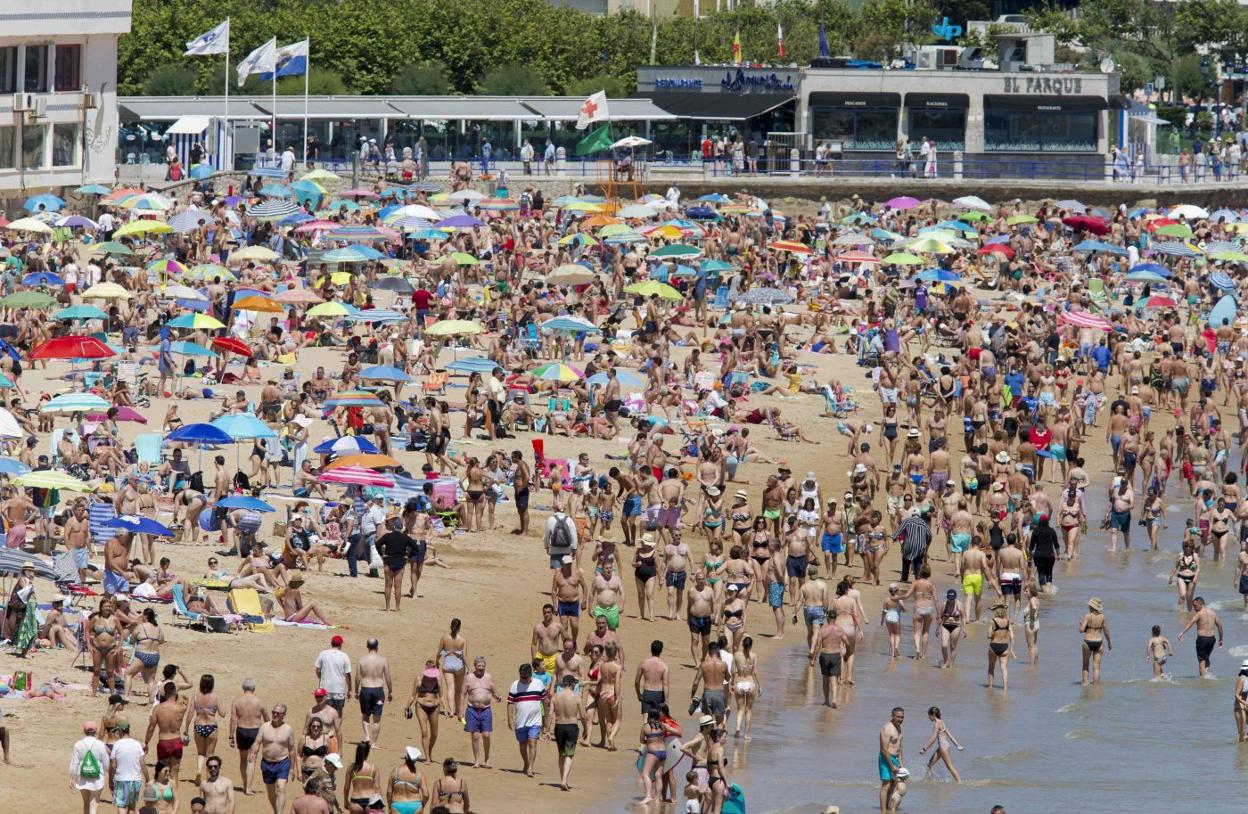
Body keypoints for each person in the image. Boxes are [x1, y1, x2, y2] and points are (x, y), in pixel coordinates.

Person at [506, 662, 546, 777]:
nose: (523, 679)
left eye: (525, 677)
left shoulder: (539, 684)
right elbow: (510, 703)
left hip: (535, 721)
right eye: (521, 677)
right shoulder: (515, 685)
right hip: (520, 721)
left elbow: (545, 701)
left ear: (530, 674)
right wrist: (510, 719)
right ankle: (526, 763)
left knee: (532, 742)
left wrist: (546, 718)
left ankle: (530, 768)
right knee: (522, 744)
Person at [258, 704, 295, 814]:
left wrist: (292, 768)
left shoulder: (288, 729)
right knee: (271, 792)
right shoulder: (264, 727)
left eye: (278, 713)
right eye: (273, 712)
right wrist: (253, 752)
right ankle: (276, 811)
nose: (274, 714)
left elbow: (292, 749)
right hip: (266, 763)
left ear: (283, 715)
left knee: (281, 787)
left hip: (282, 762)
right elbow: (257, 741)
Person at [354, 638, 392, 745]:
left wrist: (356, 691)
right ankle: (374, 743)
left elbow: (357, 677)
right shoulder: (383, 660)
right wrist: (390, 691)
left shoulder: (361, 660)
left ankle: (367, 736)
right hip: (378, 690)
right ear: (377, 647)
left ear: (367, 646)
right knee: (377, 718)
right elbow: (387, 676)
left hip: (365, 689)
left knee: (365, 715)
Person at [69, 720, 110, 814]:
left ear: (84, 731)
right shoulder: (100, 744)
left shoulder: (78, 744)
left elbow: (74, 763)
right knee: (94, 803)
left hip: (82, 776)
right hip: (97, 777)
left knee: (86, 803)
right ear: (95, 731)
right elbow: (106, 762)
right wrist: (106, 774)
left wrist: (72, 777)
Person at [1178, 596, 1224, 677]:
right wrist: (1221, 639)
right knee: (1206, 658)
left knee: (1201, 661)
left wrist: (1182, 633)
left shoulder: (1199, 614)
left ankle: (1202, 679)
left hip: (1202, 640)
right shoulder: (1213, 613)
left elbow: (1190, 623)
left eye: (1195, 606)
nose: (1194, 608)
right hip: (1211, 640)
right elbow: (1219, 626)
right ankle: (1206, 674)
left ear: (1201, 604)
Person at [551, 674, 581, 791]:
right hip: (571, 726)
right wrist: (585, 728)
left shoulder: (555, 696)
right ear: (571, 684)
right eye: (574, 683)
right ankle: (564, 780)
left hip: (559, 726)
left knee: (561, 754)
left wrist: (547, 730)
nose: (575, 685)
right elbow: (582, 715)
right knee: (569, 754)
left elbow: (550, 714)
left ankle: (562, 779)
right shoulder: (576, 696)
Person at [112, 720, 148, 813]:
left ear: (120, 731)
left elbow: (113, 765)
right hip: (135, 780)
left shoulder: (117, 744)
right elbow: (143, 764)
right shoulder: (137, 744)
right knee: (132, 807)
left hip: (121, 779)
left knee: (122, 806)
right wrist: (147, 779)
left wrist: (110, 780)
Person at [917, 707, 962, 782]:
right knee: (929, 764)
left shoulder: (937, 723)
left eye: (929, 715)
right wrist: (957, 745)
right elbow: (949, 734)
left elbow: (933, 738)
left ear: (934, 715)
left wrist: (924, 749)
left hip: (943, 747)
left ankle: (960, 782)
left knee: (950, 766)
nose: (929, 717)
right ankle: (927, 781)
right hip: (945, 745)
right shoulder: (942, 722)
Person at [314, 635, 352, 714]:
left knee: (324, 713)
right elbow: (347, 674)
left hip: (325, 688)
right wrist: (349, 689)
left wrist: (321, 678)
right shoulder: (344, 656)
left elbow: (317, 670)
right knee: (338, 714)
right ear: (340, 645)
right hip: (339, 689)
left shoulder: (323, 653)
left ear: (331, 643)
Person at [1079, 597, 1111, 685]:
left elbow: (1081, 630)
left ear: (1091, 607)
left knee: (1085, 665)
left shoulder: (1087, 616)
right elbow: (1106, 632)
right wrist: (1109, 642)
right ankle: (1096, 687)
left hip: (1088, 642)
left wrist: (1081, 625)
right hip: (1098, 642)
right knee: (1096, 667)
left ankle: (1085, 684)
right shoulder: (1103, 617)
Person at [387, 746, 428, 814]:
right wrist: (422, 805)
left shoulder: (395, 772)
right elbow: (426, 795)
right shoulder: (420, 774)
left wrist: (389, 806)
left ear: (406, 757)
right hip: (415, 806)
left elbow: (389, 792)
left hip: (397, 805)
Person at [879, 707, 904, 814]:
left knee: (894, 784)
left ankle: (889, 806)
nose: (900, 719)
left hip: (895, 759)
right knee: (886, 784)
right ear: (892, 716)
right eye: (898, 717)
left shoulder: (899, 728)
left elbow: (899, 748)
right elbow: (883, 749)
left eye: (902, 717)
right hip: (886, 758)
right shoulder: (887, 728)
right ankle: (883, 810)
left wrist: (901, 765)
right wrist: (892, 766)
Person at [986, 602, 1014, 691]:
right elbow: (1012, 635)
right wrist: (1012, 649)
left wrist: (994, 633)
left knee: (991, 667)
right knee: (1004, 668)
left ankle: (990, 686)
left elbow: (989, 636)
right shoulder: (1008, 621)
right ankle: (1005, 687)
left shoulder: (992, 621)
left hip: (994, 645)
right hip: (1004, 647)